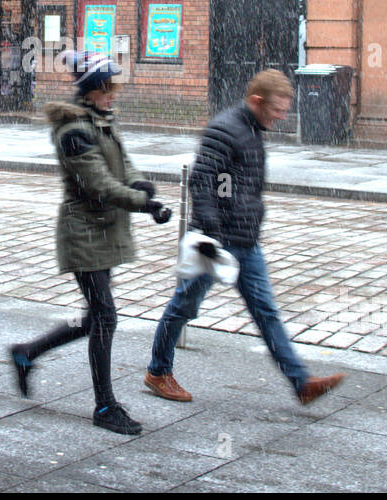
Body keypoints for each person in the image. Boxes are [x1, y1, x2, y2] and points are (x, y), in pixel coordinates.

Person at [144, 69, 345, 407]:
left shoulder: (253, 129)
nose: (282, 116)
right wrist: (211, 232)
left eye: (285, 109)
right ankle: (157, 372)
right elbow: (203, 181)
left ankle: (301, 383)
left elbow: (240, 186)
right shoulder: (225, 130)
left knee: (266, 311)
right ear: (256, 101)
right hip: (216, 242)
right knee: (183, 307)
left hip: (245, 241)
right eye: (277, 110)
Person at [8, 50, 173, 435]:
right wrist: (144, 204)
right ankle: (104, 406)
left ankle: (26, 353)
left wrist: (139, 184)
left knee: (95, 316)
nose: (113, 94)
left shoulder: (99, 120)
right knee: (105, 316)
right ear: (91, 90)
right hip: (83, 233)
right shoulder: (74, 132)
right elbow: (97, 185)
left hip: (103, 232)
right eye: (108, 88)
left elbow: (124, 162)